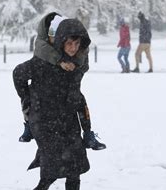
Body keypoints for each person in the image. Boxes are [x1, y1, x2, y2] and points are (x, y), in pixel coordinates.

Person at [13, 18, 93, 190]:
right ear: (60, 42)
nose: (73, 48)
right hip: (44, 119)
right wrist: (28, 100)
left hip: (67, 117)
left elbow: (77, 93)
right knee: (54, 163)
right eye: (69, 43)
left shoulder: (77, 66)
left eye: (77, 44)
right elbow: (18, 74)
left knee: (75, 164)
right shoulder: (42, 63)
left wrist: (87, 127)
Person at [18, 12, 106, 151]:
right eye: (51, 36)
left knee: (79, 101)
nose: (73, 47)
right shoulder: (43, 45)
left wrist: (75, 68)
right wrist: (25, 94)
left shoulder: (73, 43)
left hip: (67, 85)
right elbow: (38, 58)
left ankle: (88, 134)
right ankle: (28, 125)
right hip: (42, 88)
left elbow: (83, 61)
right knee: (29, 102)